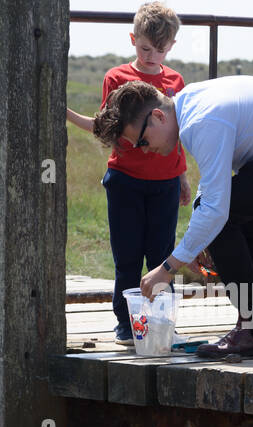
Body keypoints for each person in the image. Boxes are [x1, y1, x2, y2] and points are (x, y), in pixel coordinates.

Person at [94, 76, 253, 357]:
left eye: (142, 141)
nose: (145, 150)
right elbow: (212, 186)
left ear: (157, 116)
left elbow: (217, 208)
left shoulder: (202, 119)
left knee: (222, 224)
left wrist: (168, 267)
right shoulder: (192, 105)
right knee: (233, 229)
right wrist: (195, 240)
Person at [66, 2, 188, 346]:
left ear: (172, 46)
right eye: (146, 48)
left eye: (161, 49)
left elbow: (175, 137)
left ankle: (163, 322)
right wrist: (67, 113)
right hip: (125, 182)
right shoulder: (116, 78)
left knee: (161, 255)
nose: (152, 56)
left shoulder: (174, 81)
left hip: (164, 182)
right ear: (133, 39)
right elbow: (105, 127)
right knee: (128, 257)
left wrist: (182, 177)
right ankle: (126, 323)